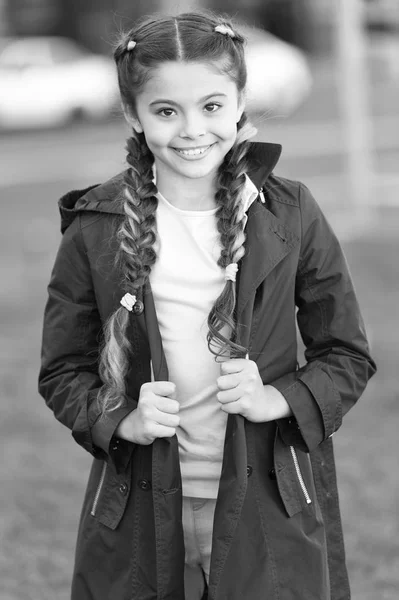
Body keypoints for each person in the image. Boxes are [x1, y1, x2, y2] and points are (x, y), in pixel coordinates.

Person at [38, 10, 376, 600]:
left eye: (212, 106)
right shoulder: (95, 228)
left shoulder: (290, 212)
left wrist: (278, 398)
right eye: (166, 110)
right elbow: (62, 370)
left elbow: (346, 353)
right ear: (134, 116)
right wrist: (122, 420)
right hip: (138, 510)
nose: (193, 129)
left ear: (241, 99)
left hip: (269, 507)